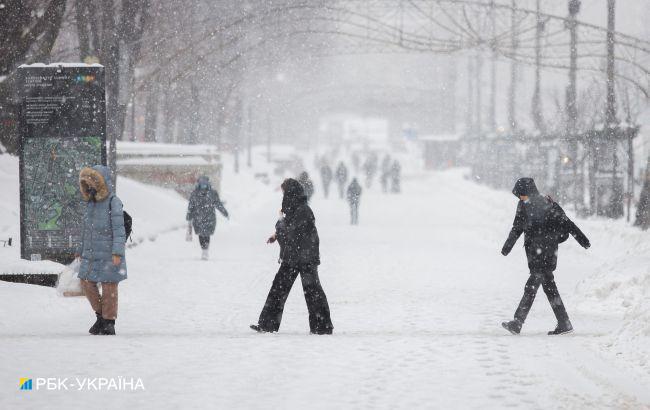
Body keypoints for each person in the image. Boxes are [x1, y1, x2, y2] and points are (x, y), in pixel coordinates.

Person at [501, 178, 590, 336]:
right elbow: (518, 227)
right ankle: (564, 323)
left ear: (526, 192)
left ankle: (517, 322)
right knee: (550, 288)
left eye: (521, 195)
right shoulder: (536, 203)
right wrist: (507, 247)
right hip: (543, 253)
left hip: (541, 253)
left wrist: (582, 240)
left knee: (531, 287)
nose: (520, 198)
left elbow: (565, 223)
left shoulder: (536, 204)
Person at [251, 178, 334, 335]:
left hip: (305, 257)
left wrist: (280, 223)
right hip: (294, 256)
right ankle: (267, 325)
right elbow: (287, 229)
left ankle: (322, 327)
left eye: (284, 192)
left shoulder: (303, 210)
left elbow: (290, 231)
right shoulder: (294, 208)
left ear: (289, 193)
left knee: (312, 291)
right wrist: (277, 234)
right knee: (278, 289)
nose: (282, 196)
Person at [77, 165, 127, 336]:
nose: (89, 186)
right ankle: (100, 317)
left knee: (109, 288)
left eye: (92, 182)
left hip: (109, 253)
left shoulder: (114, 201)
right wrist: (79, 250)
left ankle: (109, 322)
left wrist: (117, 252)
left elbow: (119, 230)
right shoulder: (90, 203)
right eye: (87, 183)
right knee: (86, 283)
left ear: (101, 183)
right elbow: (86, 230)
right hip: (91, 254)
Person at [186, 176, 229, 260]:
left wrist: (225, 212)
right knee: (201, 235)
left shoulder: (212, 193)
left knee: (207, 234)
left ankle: (205, 251)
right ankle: (204, 250)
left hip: (209, 218)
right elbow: (191, 206)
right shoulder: (194, 194)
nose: (203, 184)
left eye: (205, 183)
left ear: (208, 183)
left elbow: (218, 204)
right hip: (198, 218)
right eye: (201, 183)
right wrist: (189, 216)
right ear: (198, 183)